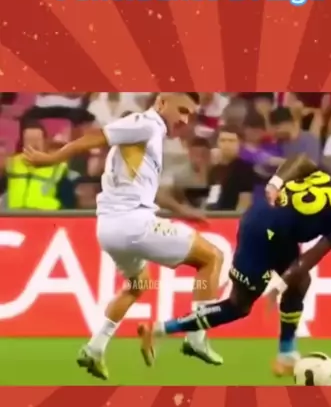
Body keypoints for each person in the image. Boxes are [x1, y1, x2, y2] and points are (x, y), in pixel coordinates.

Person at [23, 93, 224, 379]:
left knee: (139, 284)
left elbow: (150, 190)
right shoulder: (146, 123)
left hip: (110, 228)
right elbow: (95, 137)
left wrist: (183, 210)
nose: (184, 119)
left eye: (189, 115)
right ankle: (196, 338)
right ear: (162, 103)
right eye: (181, 110)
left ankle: (94, 349)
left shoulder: (147, 137)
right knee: (212, 258)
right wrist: (52, 158)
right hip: (134, 224)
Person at [139, 155, 331, 376]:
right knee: (239, 306)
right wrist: (278, 287)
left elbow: (302, 160)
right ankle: (160, 329)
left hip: (270, 221)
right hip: (262, 233)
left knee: (300, 283)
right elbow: (309, 258)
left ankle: (286, 353)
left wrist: (276, 182)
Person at [205, 126, 256, 212]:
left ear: (240, 143)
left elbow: (245, 202)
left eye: (231, 141)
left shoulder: (245, 169)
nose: (227, 144)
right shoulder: (214, 170)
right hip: (214, 215)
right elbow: (212, 199)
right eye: (223, 140)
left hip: (232, 216)